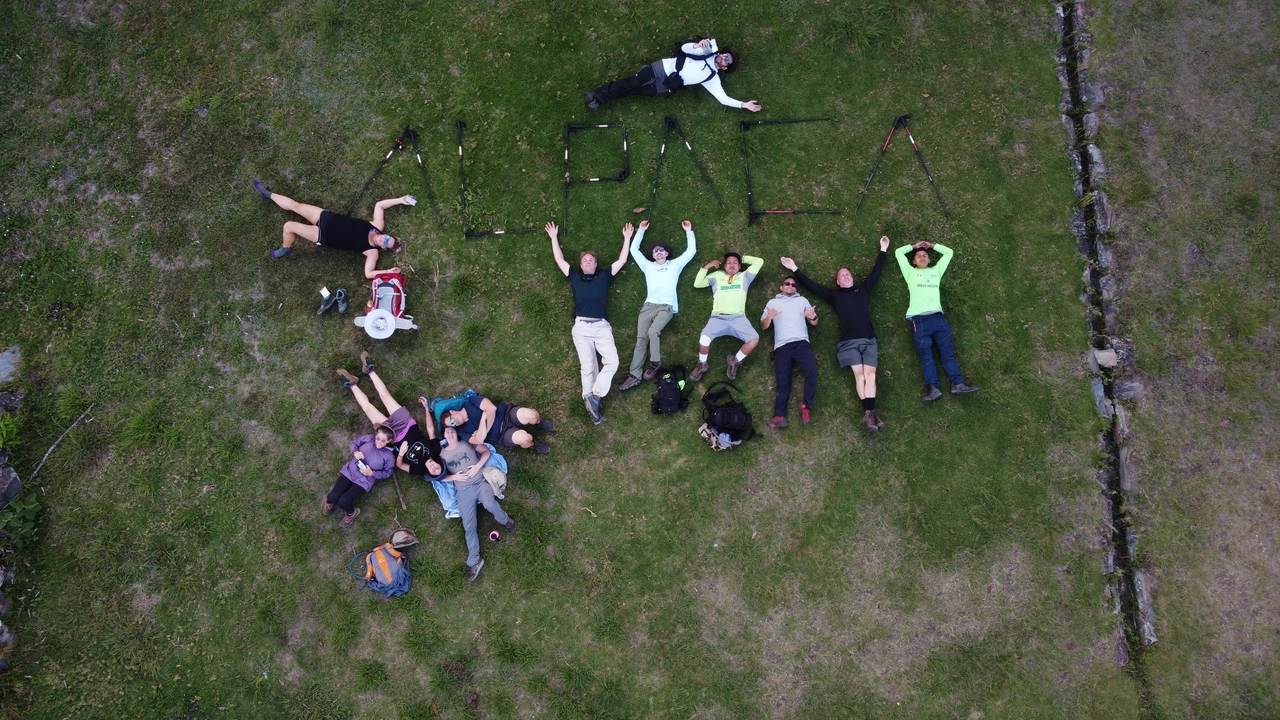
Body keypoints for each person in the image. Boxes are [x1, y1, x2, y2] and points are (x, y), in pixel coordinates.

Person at [782, 235, 890, 432]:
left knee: (871, 375)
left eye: (848, 274)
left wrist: (883, 250)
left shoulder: (864, 289)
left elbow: (876, 273)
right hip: (849, 342)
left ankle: (870, 413)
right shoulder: (834, 295)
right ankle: (870, 414)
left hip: (869, 341)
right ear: (838, 282)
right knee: (860, 377)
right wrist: (794, 268)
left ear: (852, 278)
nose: (846, 276)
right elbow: (812, 286)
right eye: (842, 275)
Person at [336, 352, 457, 516]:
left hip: (390, 436)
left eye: (434, 471)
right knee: (385, 396)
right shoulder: (435, 450)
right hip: (406, 423)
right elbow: (430, 430)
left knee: (368, 409)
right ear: (439, 464)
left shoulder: (417, 469)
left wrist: (400, 453)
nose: (435, 467)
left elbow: (399, 465)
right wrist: (426, 409)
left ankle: (352, 384)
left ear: (429, 473)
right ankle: (369, 369)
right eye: (438, 467)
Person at [544, 220, 630, 425]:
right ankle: (590, 401)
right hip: (581, 327)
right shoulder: (575, 277)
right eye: (585, 260)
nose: (588, 261)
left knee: (613, 362)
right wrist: (554, 237)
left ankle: (594, 397)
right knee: (588, 366)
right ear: (581, 265)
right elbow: (560, 260)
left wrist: (627, 238)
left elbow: (622, 260)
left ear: (596, 264)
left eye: (591, 259)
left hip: (601, 326)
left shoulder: (604, 277)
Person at [252, 179, 410, 280]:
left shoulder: (372, 252)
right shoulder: (377, 226)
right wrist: (400, 200)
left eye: (386, 243)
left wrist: (388, 271)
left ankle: (286, 248)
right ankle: (269, 194)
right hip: (327, 218)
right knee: (295, 205)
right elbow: (379, 205)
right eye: (388, 238)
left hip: (323, 235)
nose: (385, 239)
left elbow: (369, 274)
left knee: (288, 226)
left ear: (383, 247)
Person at [894, 241, 980, 401]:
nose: (922, 257)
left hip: (939, 319)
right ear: (913, 261)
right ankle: (933, 389)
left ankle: (957, 384)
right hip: (919, 321)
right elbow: (899, 252)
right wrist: (913, 246)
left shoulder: (936, 271)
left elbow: (949, 253)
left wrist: (932, 245)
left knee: (948, 354)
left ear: (929, 260)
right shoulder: (910, 273)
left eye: (924, 255)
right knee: (926, 355)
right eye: (918, 256)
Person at [618, 219, 698, 390]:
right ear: (652, 256)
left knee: (653, 331)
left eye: (661, 250)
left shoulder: (675, 265)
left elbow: (691, 251)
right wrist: (640, 231)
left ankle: (656, 363)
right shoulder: (647, 266)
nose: (658, 252)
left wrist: (689, 231)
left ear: (667, 253)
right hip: (648, 306)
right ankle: (634, 375)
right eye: (655, 251)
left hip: (666, 307)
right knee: (641, 340)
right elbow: (634, 249)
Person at [584, 38, 763, 113]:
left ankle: (600, 97)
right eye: (725, 55)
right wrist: (697, 46)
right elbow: (684, 49)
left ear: (724, 68)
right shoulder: (705, 52)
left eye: (727, 60)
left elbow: (723, 98)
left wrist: (743, 105)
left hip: (666, 85)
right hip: (661, 69)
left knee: (633, 91)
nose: (723, 58)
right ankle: (597, 96)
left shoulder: (712, 78)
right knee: (630, 83)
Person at [437, 424, 516, 583]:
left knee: (489, 503)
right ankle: (475, 561)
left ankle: (506, 520)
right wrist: (454, 478)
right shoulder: (442, 454)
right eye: (447, 432)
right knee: (469, 526)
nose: (451, 434)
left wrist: (478, 466)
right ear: (444, 436)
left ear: (456, 432)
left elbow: (485, 452)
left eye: (452, 431)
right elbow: (437, 476)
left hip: (480, 482)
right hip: (463, 491)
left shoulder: (468, 442)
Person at [690, 252, 765, 381]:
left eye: (735, 262)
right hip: (717, 318)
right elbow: (697, 284)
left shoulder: (745, 276)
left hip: (738, 318)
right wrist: (706, 267)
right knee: (704, 339)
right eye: (729, 262)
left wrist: (743, 258)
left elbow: (759, 261)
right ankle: (702, 364)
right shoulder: (716, 276)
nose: (731, 264)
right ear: (724, 266)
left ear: (740, 266)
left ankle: (735, 361)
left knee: (754, 340)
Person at [759, 276, 819, 429]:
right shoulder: (772, 303)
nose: (791, 286)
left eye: (793, 285)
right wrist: (769, 317)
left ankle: (806, 406)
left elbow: (814, 322)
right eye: (787, 284)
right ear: (781, 287)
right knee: (783, 382)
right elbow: (763, 326)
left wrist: (813, 317)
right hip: (781, 347)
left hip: (801, 343)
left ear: (796, 289)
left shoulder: (802, 301)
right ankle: (779, 416)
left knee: (812, 373)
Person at [323, 426, 396, 528]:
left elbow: (388, 472)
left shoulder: (389, 456)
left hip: (364, 482)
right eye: (378, 438)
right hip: (349, 472)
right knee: (333, 497)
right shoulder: (368, 439)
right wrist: (355, 452)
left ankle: (352, 513)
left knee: (344, 501)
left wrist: (372, 473)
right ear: (375, 435)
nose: (378, 442)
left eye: (383, 441)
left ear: (389, 440)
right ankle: (329, 502)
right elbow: (354, 444)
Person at [440, 392, 556, 455]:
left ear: (452, 412)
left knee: (531, 415)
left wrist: (483, 430)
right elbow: (479, 441)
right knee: (525, 438)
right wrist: (482, 420)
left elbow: (491, 409)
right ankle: (533, 445)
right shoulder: (462, 431)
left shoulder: (471, 402)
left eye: (452, 420)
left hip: (507, 414)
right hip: (503, 434)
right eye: (453, 425)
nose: (456, 423)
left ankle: (539, 423)